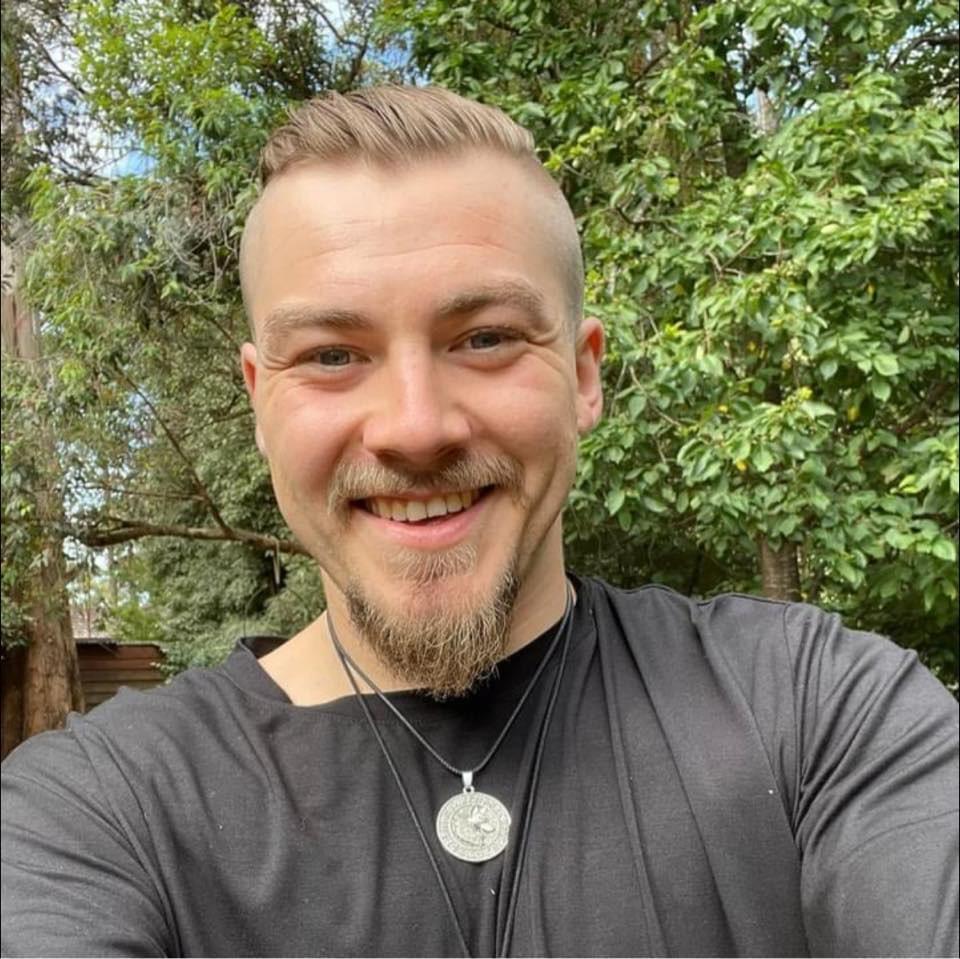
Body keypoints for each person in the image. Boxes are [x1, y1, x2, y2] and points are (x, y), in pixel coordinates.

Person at [2, 85, 957, 959]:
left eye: (486, 338)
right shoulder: (97, 815)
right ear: (260, 401)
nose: (415, 427)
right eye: (332, 354)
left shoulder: (821, 712)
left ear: (582, 375)